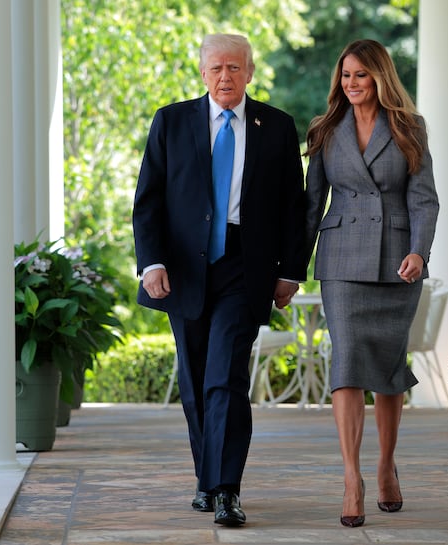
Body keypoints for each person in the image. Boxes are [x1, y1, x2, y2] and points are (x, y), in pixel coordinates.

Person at [132, 33, 306, 526]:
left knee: (225, 376)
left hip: (245, 266)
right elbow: (148, 199)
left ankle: (226, 488)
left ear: (250, 72)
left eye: (234, 67)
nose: (225, 77)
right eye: (216, 68)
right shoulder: (171, 121)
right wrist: (152, 262)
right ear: (202, 72)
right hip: (184, 267)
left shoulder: (276, 126)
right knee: (194, 379)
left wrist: (291, 271)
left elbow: (293, 206)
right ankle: (206, 479)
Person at [303, 39, 439, 528]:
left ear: (380, 77)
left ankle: (385, 466)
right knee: (347, 364)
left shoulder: (408, 126)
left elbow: (424, 199)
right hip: (341, 259)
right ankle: (350, 478)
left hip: (396, 261)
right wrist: (291, 269)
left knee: (386, 367)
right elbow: (311, 204)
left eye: (361, 75)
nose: (352, 84)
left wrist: (419, 252)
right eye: (345, 75)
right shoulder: (324, 130)